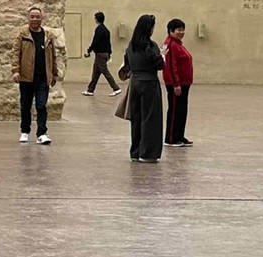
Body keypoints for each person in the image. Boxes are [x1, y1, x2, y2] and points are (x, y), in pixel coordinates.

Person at [11, 4, 64, 145]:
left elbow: (52, 56)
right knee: (26, 105)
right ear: (28, 18)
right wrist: (15, 71)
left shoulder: (47, 36)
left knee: (41, 106)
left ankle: (42, 133)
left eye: (37, 17)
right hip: (26, 77)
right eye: (32, 17)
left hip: (42, 77)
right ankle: (25, 131)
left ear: (42, 18)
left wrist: (54, 73)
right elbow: (15, 53)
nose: (35, 19)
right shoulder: (22, 35)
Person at [124, 14, 165, 162]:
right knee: (150, 118)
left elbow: (127, 63)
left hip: (135, 82)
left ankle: (135, 151)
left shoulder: (131, 46)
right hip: (149, 83)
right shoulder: (150, 45)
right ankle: (147, 153)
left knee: (137, 118)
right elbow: (159, 64)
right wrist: (163, 56)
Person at [162, 17, 195, 147]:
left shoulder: (177, 44)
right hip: (176, 84)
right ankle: (171, 138)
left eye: (183, 29)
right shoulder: (171, 45)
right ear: (171, 31)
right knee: (175, 110)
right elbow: (171, 66)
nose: (181, 32)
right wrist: (176, 84)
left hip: (184, 83)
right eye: (178, 30)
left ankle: (179, 136)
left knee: (182, 110)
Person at [82, 11, 121, 97]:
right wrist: (109, 53)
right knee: (96, 73)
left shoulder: (99, 30)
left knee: (105, 72)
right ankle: (90, 90)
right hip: (104, 54)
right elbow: (108, 44)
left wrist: (89, 51)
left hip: (100, 54)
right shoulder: (106, 30)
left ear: (96, 19)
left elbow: (95, 42)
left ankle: (116, 88)